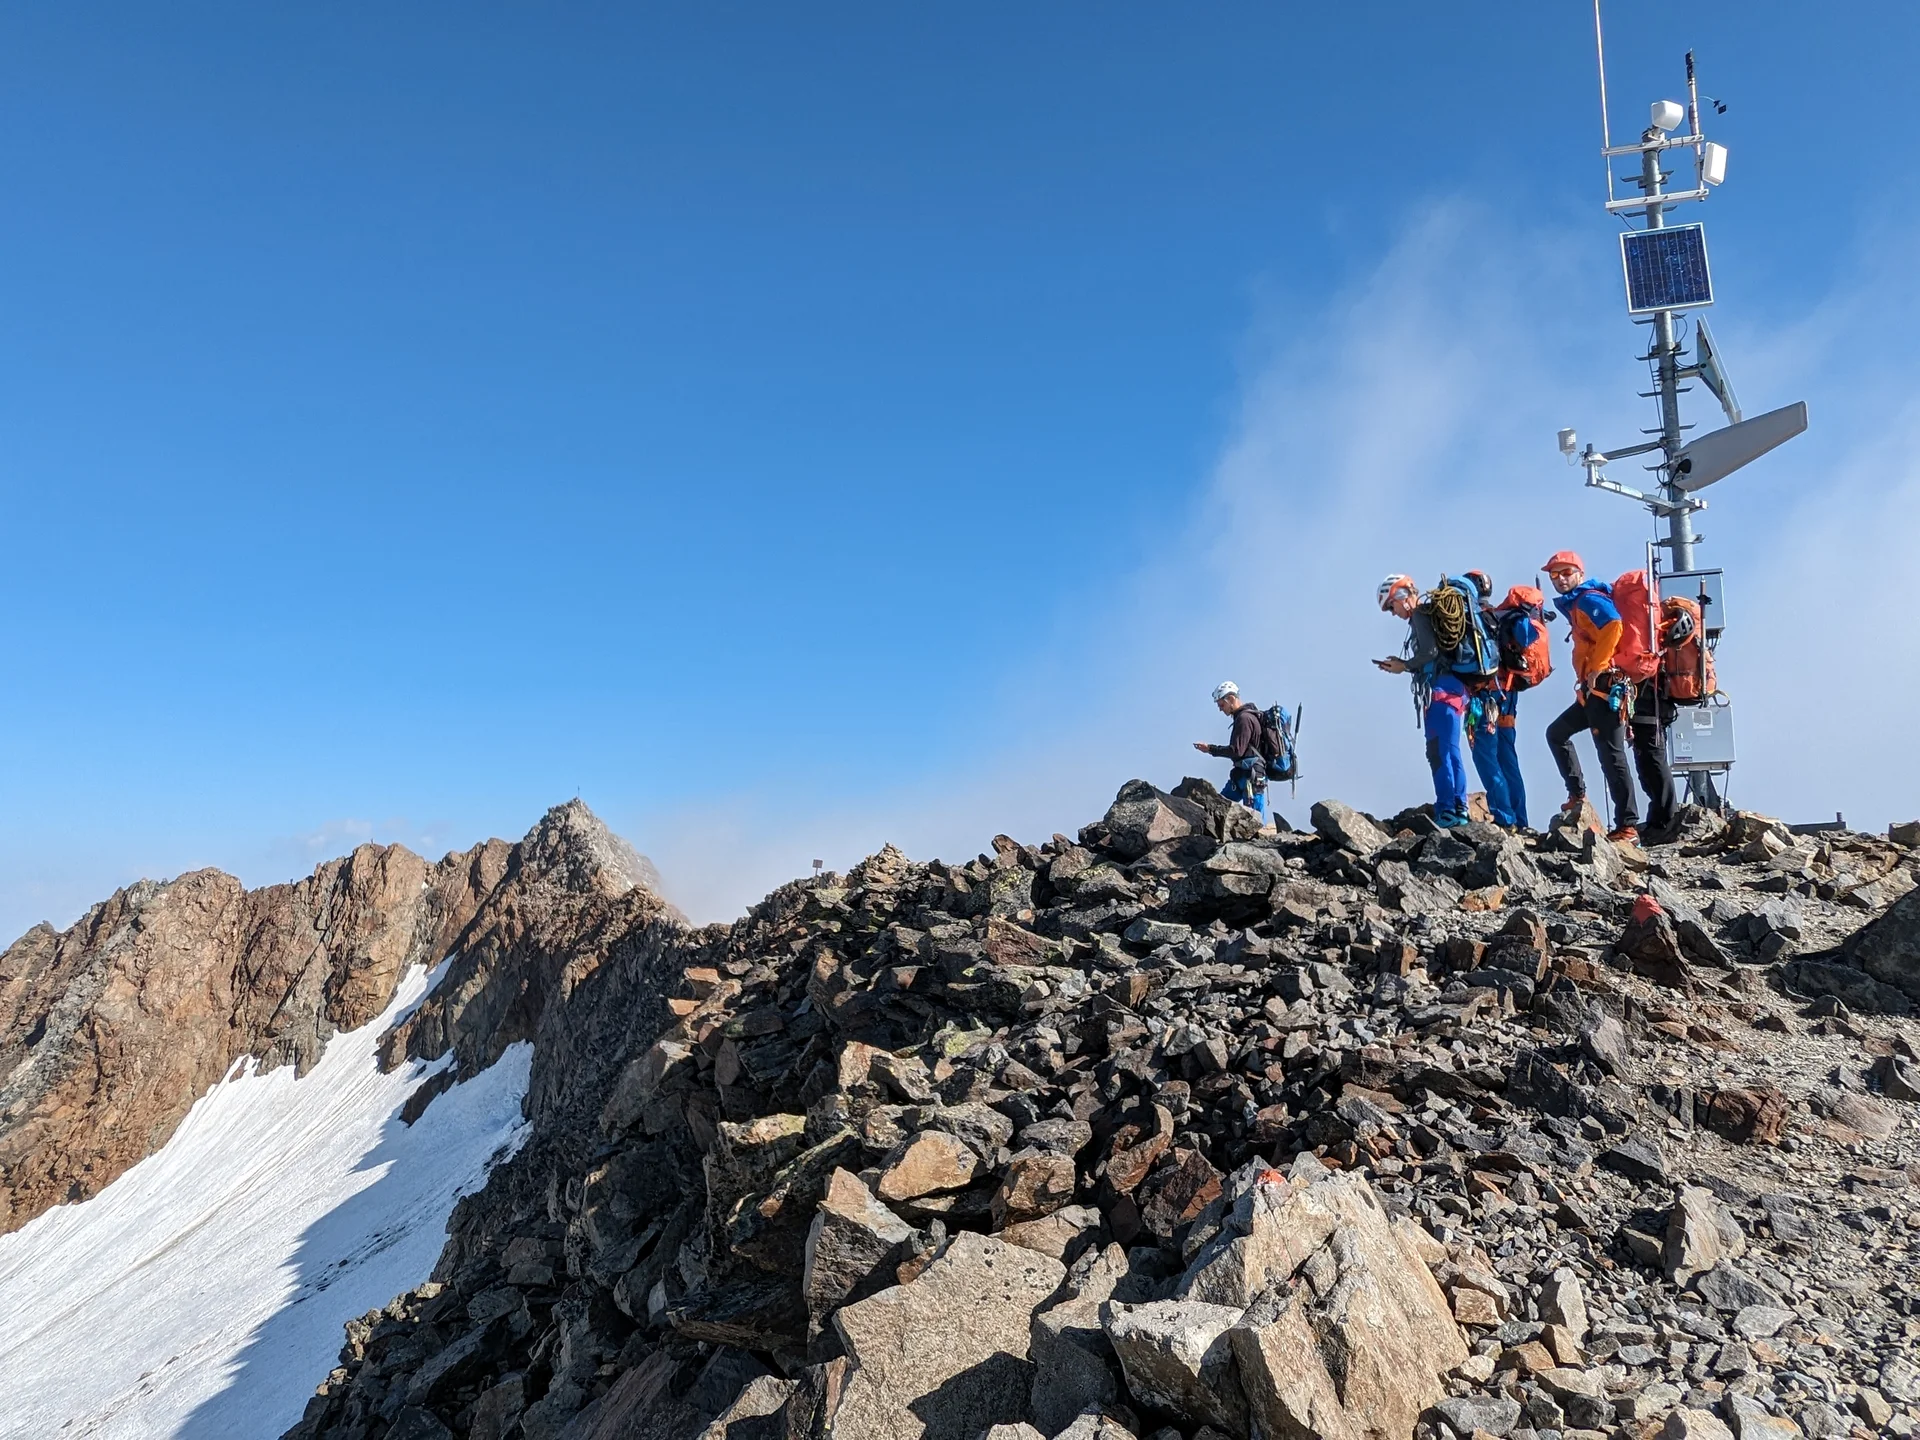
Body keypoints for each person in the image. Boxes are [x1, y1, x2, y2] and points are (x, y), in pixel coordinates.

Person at [1540, 551, 1641, 844]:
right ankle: (1578, 794)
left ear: (1580, 574)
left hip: (1605, 687)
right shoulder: (1578, 602)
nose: (1560, 579)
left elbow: (1613, 624)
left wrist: (1598, 666)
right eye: (1554, 575)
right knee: (1557, 734)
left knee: (1611, 754)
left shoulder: (1587, 599)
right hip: (1592, 691)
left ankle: (1628, 826)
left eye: (1566, 573)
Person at [1373, 574, 1471, 828]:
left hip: (1440, 692)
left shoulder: (1419, 615)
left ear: (1401, 596)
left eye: (1391, 606)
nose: (1393, 613)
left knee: (1438, 751)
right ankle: (1460, 808)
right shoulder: (1430, 615)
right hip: (1456, 690)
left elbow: (1430, 652)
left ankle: (1447, 810)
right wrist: (1405, 665)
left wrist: (1404, 665)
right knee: (1451, 751)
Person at [1460, 571, 1527, 830]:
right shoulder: (1499, 617)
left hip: (1484, 697)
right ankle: (1520, 819)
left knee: (1485, 756)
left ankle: (1504, 817)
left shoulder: (1472, 619)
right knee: (1507, 756)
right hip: (1508, 694)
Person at [1192, 681, 1268, 824]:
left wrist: (1210, 749)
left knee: (1255, 821)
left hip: (1251, 777)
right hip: (1242, 775)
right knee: (1216, 809)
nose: (1220, 709)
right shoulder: (1246, 717)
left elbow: (1236, 750)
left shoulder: (1244, 719)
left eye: (1221, 705)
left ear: (1231, 699)